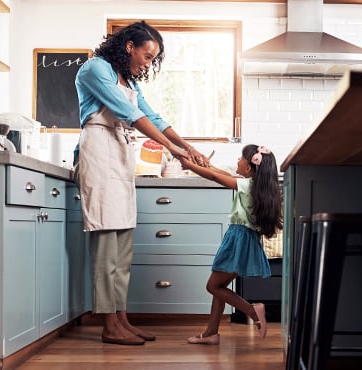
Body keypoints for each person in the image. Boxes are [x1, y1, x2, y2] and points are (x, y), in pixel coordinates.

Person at [74, 20, 210, 346]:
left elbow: (155, 117)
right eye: (147, 56)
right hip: (99, 152)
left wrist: (188, 146)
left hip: (120, 156)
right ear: (129, 46)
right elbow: (128, 113)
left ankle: (122, 319)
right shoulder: (95, 69)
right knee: (107, 244)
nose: (148, 63)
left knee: (123, 247)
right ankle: (109, 324)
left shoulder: (130, 82)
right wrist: (175, 150)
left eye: (152, 59)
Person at [179, 144, 283, 344]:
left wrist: (189, 165)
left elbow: (216, 177)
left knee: (213, 286)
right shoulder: (253, 185)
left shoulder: (246, 185)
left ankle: (252, 311)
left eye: (240, 158)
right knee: (221, 286)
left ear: (249, 168)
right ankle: (211, 333)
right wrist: (207, 165)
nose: (237, 160)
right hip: (244, 238)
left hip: (238, 238)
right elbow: (219, 172)